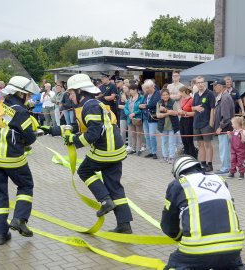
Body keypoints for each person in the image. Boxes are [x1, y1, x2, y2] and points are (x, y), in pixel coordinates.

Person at [47, 74, 133, 233]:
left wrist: (73, 141)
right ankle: (124, 224)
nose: (70, 97)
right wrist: (51, 130)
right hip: (115, 149)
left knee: (84, 170)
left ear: (80, 91)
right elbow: (78, 126)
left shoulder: (89, 106)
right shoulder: (90, 104)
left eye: (71, 93)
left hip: (105, 150)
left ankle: (105, 200)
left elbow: (93, 133)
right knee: (115, 186)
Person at [0, 76, 41, 245]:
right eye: (27, 95)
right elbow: (30, 138)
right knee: (26, 185)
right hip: (11, 158)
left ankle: (1, 234)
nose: (29, 98)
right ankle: (19, 219)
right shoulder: (20, 111)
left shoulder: (2, 104)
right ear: (19, 93)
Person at [161, 155, 245, 270]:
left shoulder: (178, 185)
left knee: (174, 264)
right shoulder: (221, 180)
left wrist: (179, 237)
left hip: (196, 249)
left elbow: (168, 226)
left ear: (178, 173)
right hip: (232, 248)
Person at [192, 76, 215, 172]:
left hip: (206, 123)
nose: (200, 84)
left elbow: (213, 108)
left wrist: (211, 121)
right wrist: (196, 108)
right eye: (198, 82)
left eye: (202, 82)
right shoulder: (196, 94)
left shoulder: (209, 94)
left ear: (205, 83)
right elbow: (192, 107)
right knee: (200, 144)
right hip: (197, 122)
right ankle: (203, 163)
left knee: (207, 144)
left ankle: (210, 164)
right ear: (196, 84)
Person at [213, 79, 235, 175]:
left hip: (225, 129)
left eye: (215, 85)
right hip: (224, 128)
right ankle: (225, 167)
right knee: (224, 148)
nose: (214, 87)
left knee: (224, 149)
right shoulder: (223, 96)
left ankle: (225, 168)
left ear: (221, 86)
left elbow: (226, 117)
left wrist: (220, 127)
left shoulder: (225, 98)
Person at [139, 79, 161, 159]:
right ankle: (150, 151)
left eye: (148, 88)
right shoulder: (146, 95)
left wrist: (144, 106)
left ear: (152, 86)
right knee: (147, 135)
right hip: (145, 117)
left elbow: (153, 104)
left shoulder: (157, 94)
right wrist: (142, 106)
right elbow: (142, 103)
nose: (147, 89)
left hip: (152, 117)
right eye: (146, 88)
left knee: (152, 135)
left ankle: (154, 152)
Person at [156, 89, 180, 164]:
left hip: (172, 125)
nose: (165, 96)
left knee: (172, 142)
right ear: (161, 96)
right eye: (163, 95)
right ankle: (165, 157)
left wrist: (165, 110)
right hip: (163, 126)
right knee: (164, 142)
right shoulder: (159, 103)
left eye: (167, 94)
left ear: (169, 95)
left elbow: (176, 113)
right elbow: (158, 115)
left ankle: (171, 157)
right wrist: (168, 113)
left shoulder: (173, 102)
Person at [178, 86, 198, 158]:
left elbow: (194, 113)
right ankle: (186, 155)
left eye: (180, 92)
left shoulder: (191, 100)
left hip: (189, 120)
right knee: (183, 139)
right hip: (182, 119)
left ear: (183, 92)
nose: (179, 94)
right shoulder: (182, 100)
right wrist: (180, 112)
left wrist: (184, 112)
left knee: (189, 140)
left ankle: (193, 156)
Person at [124, 84, 144, 156]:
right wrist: (128, 114)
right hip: (130, 119)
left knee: (139, 134)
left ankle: (139, 149)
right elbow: (125, 107)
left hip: (137, 119)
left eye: (131, 90)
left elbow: (142, 108)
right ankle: (133, 148)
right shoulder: (129, 99)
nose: (129, 91)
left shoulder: (141, 98)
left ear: (135, 90)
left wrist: (134, 113)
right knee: (132, 134)